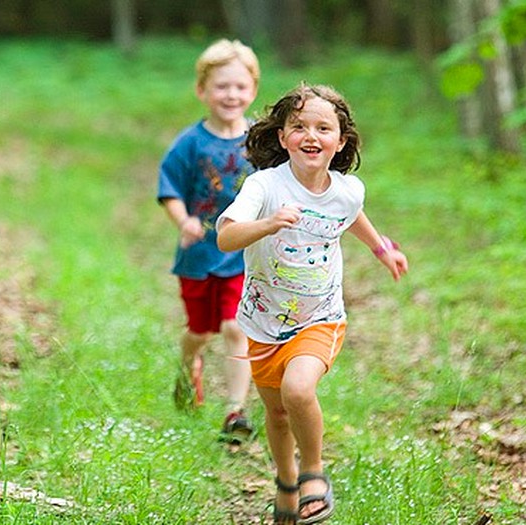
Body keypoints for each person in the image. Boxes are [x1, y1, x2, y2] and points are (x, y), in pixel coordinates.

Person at [216, 84, 408, 524]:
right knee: (277, 413)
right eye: (299, 126)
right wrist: (265, 225)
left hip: (320, 318)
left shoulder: (346, 190)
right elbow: (226, 237)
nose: (311, 135)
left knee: (298, 390)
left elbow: (350, 213)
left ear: (340, 142)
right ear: (282, 136)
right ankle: (286, 480)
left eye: (324, 128)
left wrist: (382, 249)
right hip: (262, 323)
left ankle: (313, 472)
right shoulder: (263, 185)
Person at [157, 39, 261, 442]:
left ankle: (235, 411)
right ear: (202, 90)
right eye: (221, 86)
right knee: (200, 331)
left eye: (240, 87)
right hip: (199, 254)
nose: (231, 95)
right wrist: (183, 221)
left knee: (236, 326)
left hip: (244, 254)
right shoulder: (191, 143)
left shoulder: (261, 141)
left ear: (252, 90)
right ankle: (189, 363)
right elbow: (170, 189)